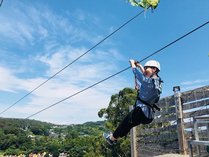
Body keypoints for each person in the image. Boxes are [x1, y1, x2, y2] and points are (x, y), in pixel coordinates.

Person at [103, 59, 163, 145]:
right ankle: (115, 138)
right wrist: (140, 66)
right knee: (128, 125)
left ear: (154, 69)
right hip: (148, 115)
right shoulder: (157, 81)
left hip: (141, 111)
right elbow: (146, 76)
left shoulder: (149, 82)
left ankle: (112, 139)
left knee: (125, 122)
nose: (145, 70)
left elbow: (139, 75)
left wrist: (133, 64)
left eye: (147, 68)